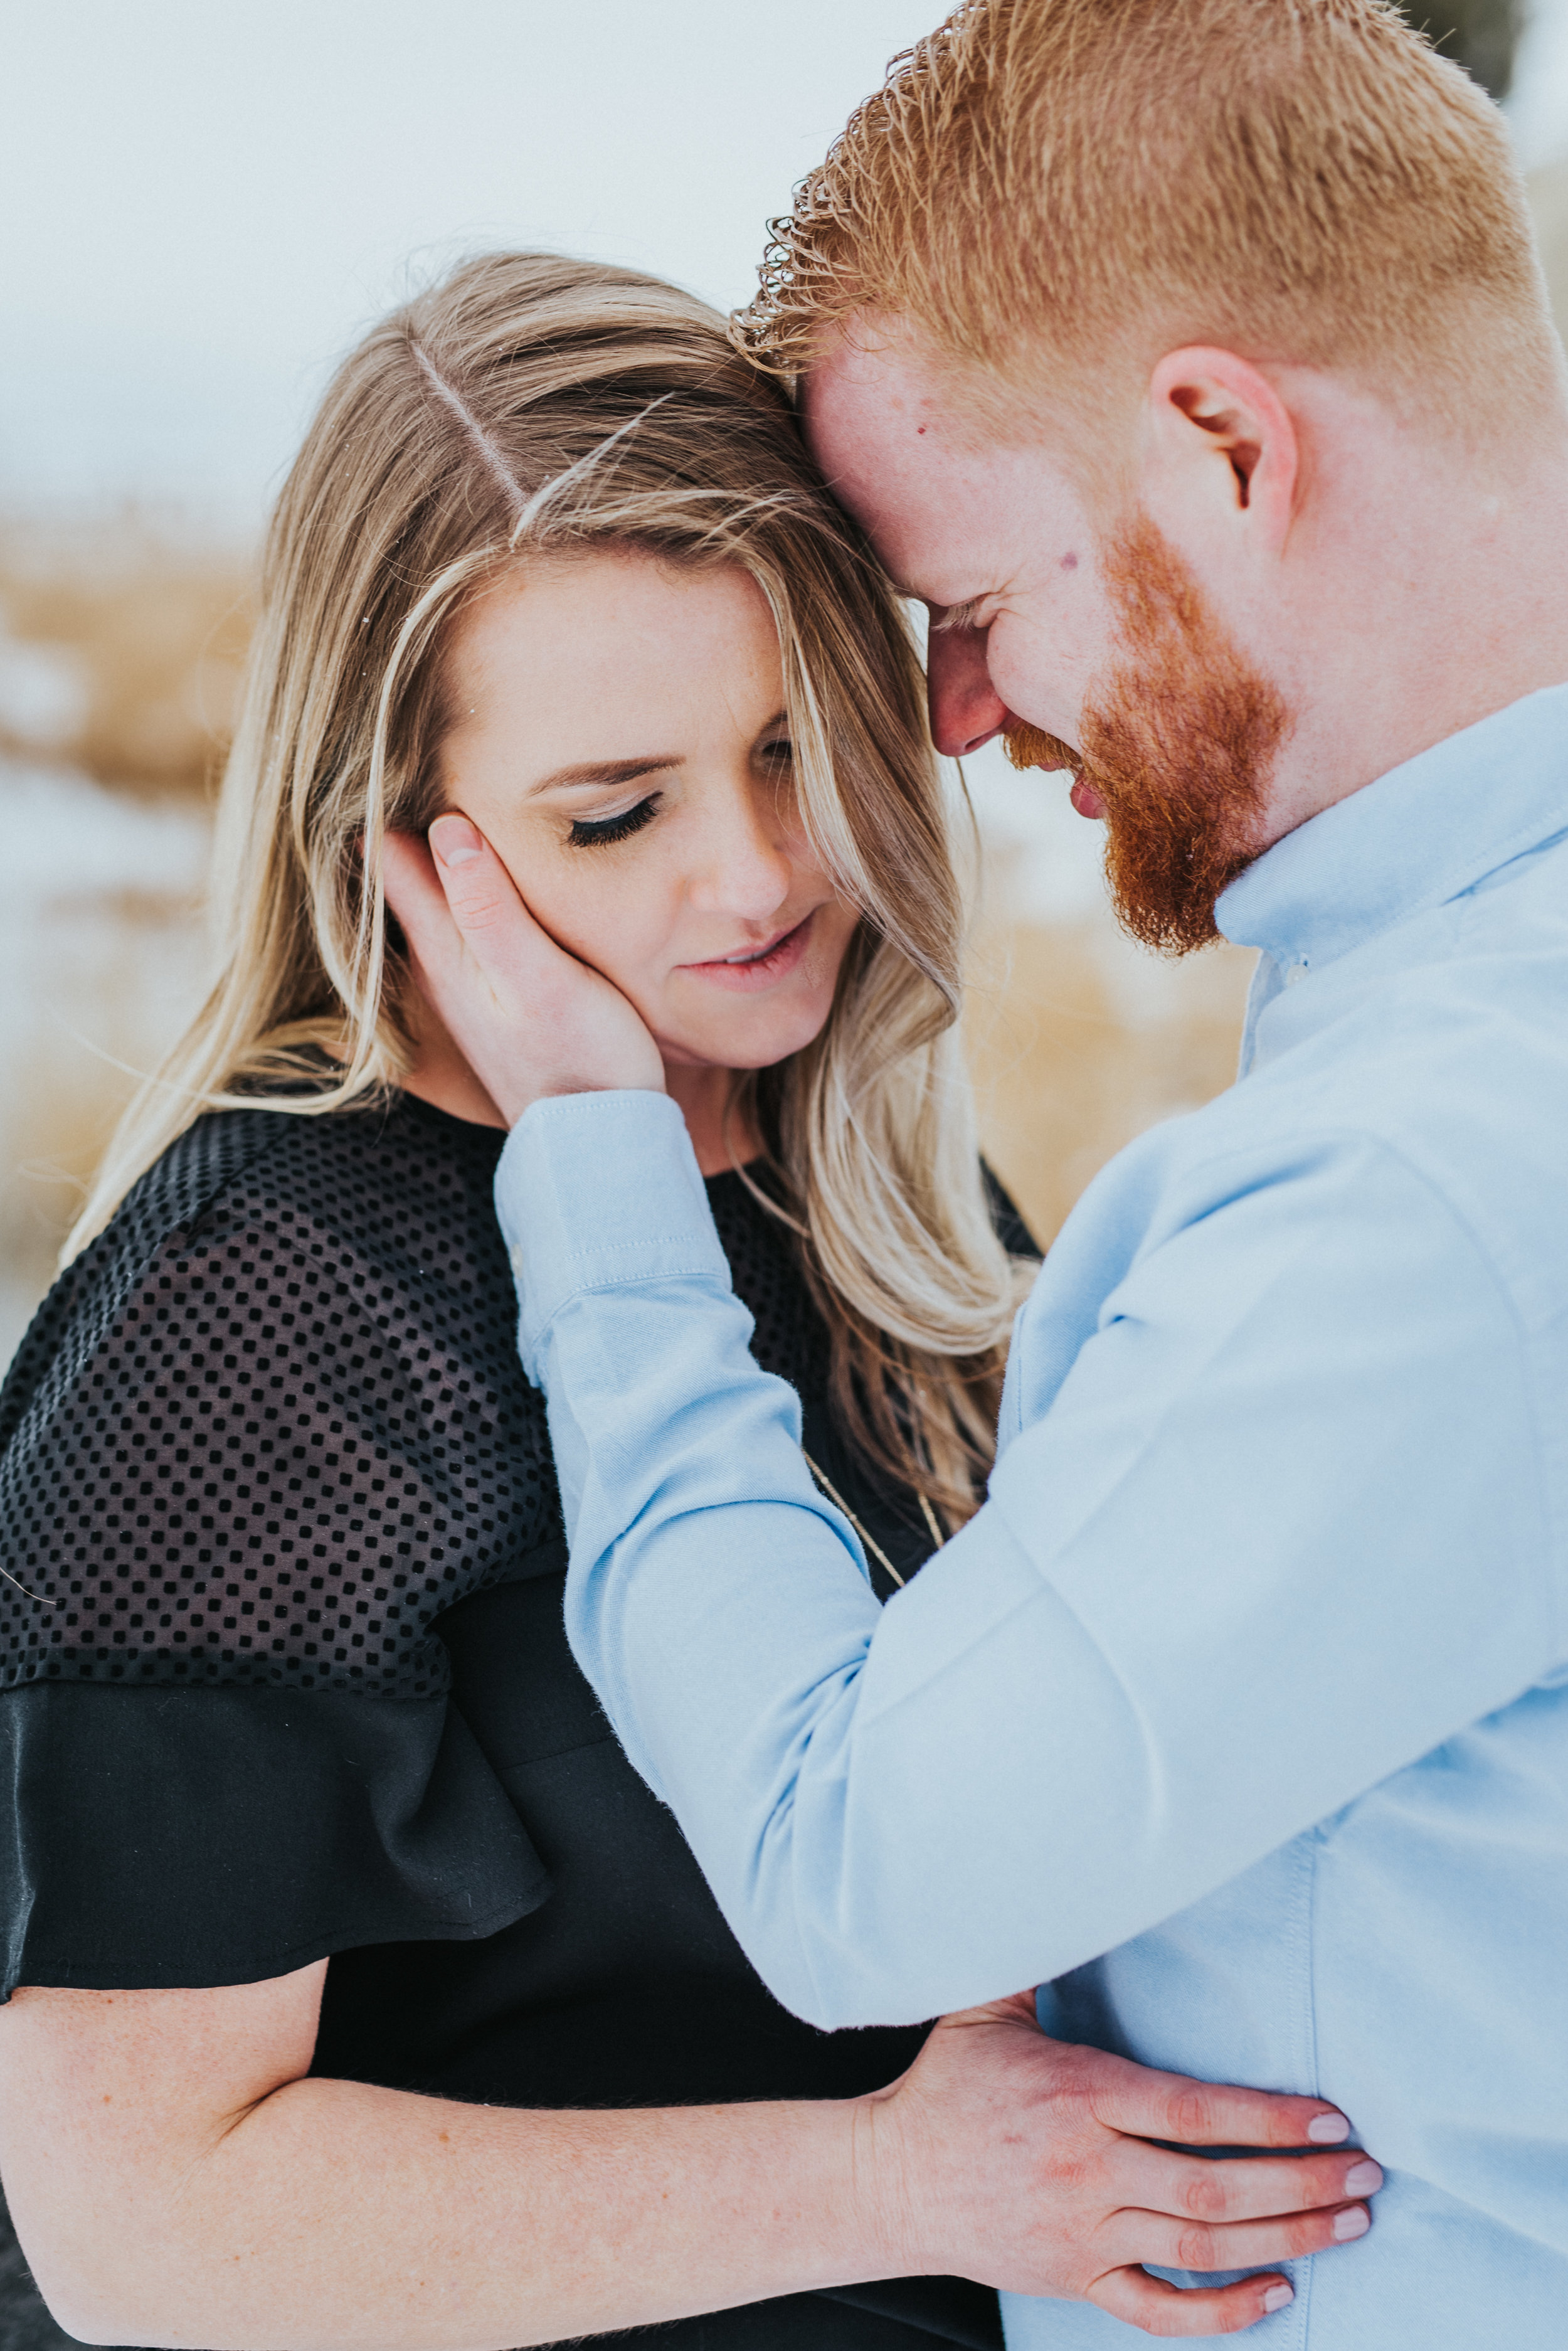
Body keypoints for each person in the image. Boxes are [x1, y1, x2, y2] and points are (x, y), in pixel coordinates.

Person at [0, 253, 1370, 2351]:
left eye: (793, 747)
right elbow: (139, 2220)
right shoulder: (263, 1302)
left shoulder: (872, 1188)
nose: (754, 874)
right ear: (397, 836)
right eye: (615, 811)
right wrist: (894, 2178)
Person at [382, 5, 1568, 2347]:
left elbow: (857, 1873)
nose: (943, 720)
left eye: (969, 602)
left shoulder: (1436, 1170)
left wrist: (610, 1188)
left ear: (1222, 445)